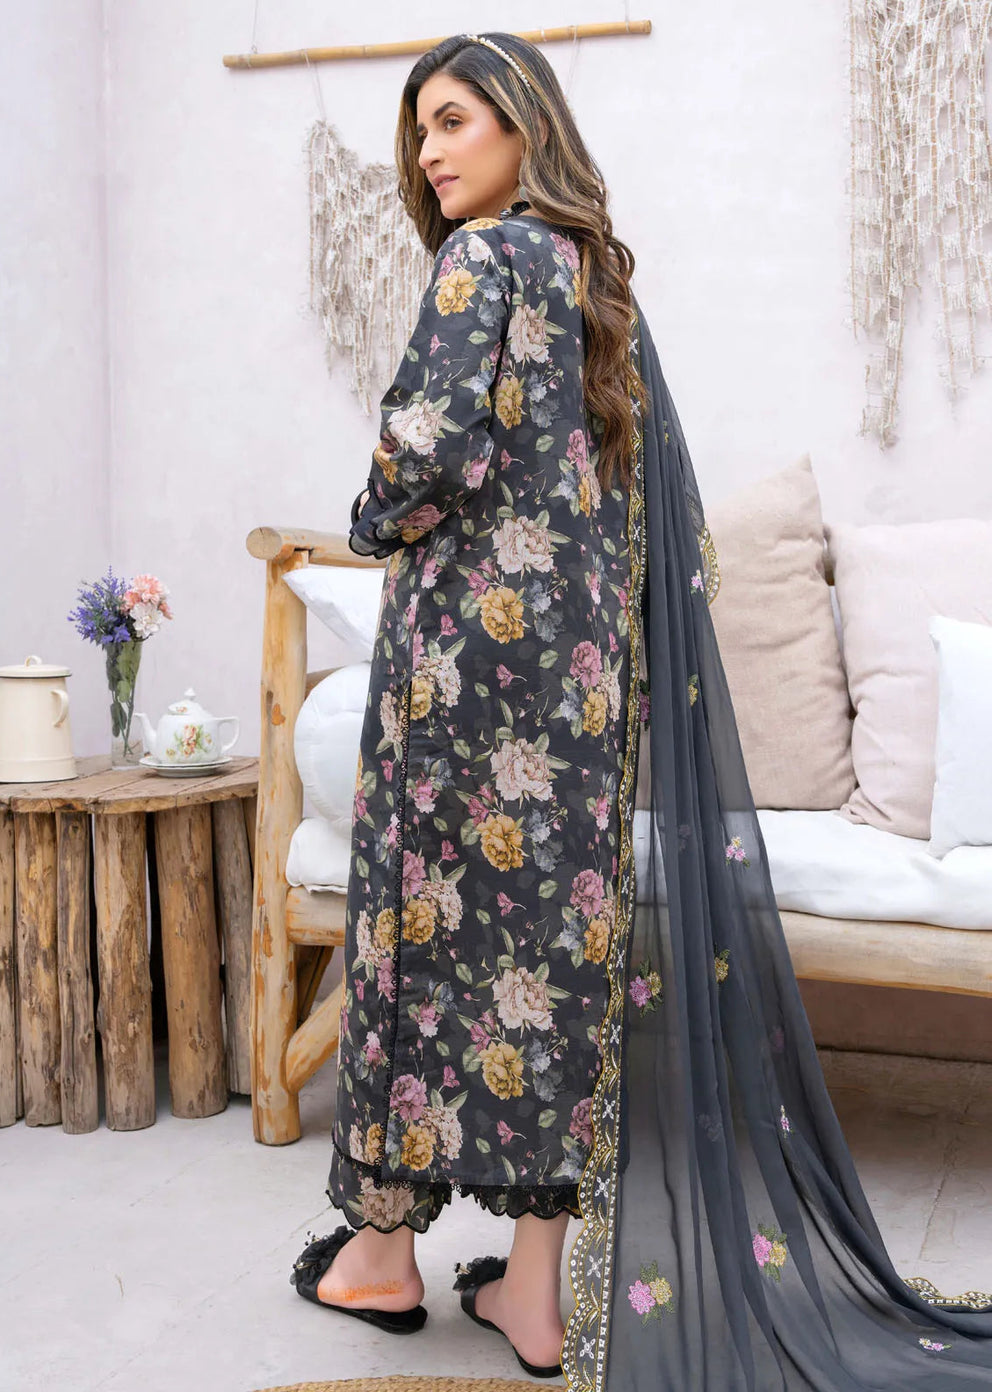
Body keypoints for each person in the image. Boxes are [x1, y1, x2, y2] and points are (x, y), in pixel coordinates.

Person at [290, 31, 992, 1390]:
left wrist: (372, 519)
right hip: (580, 690)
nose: (430, 153)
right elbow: (633, 504)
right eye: (419, 130)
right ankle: (535, 1294)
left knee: (416, 942)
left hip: (462, 689)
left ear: (523, 124)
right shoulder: (593, 277)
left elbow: (420, 455)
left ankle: (380, 1258)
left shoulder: (483, 260)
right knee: (552, 961)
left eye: (454, 120)